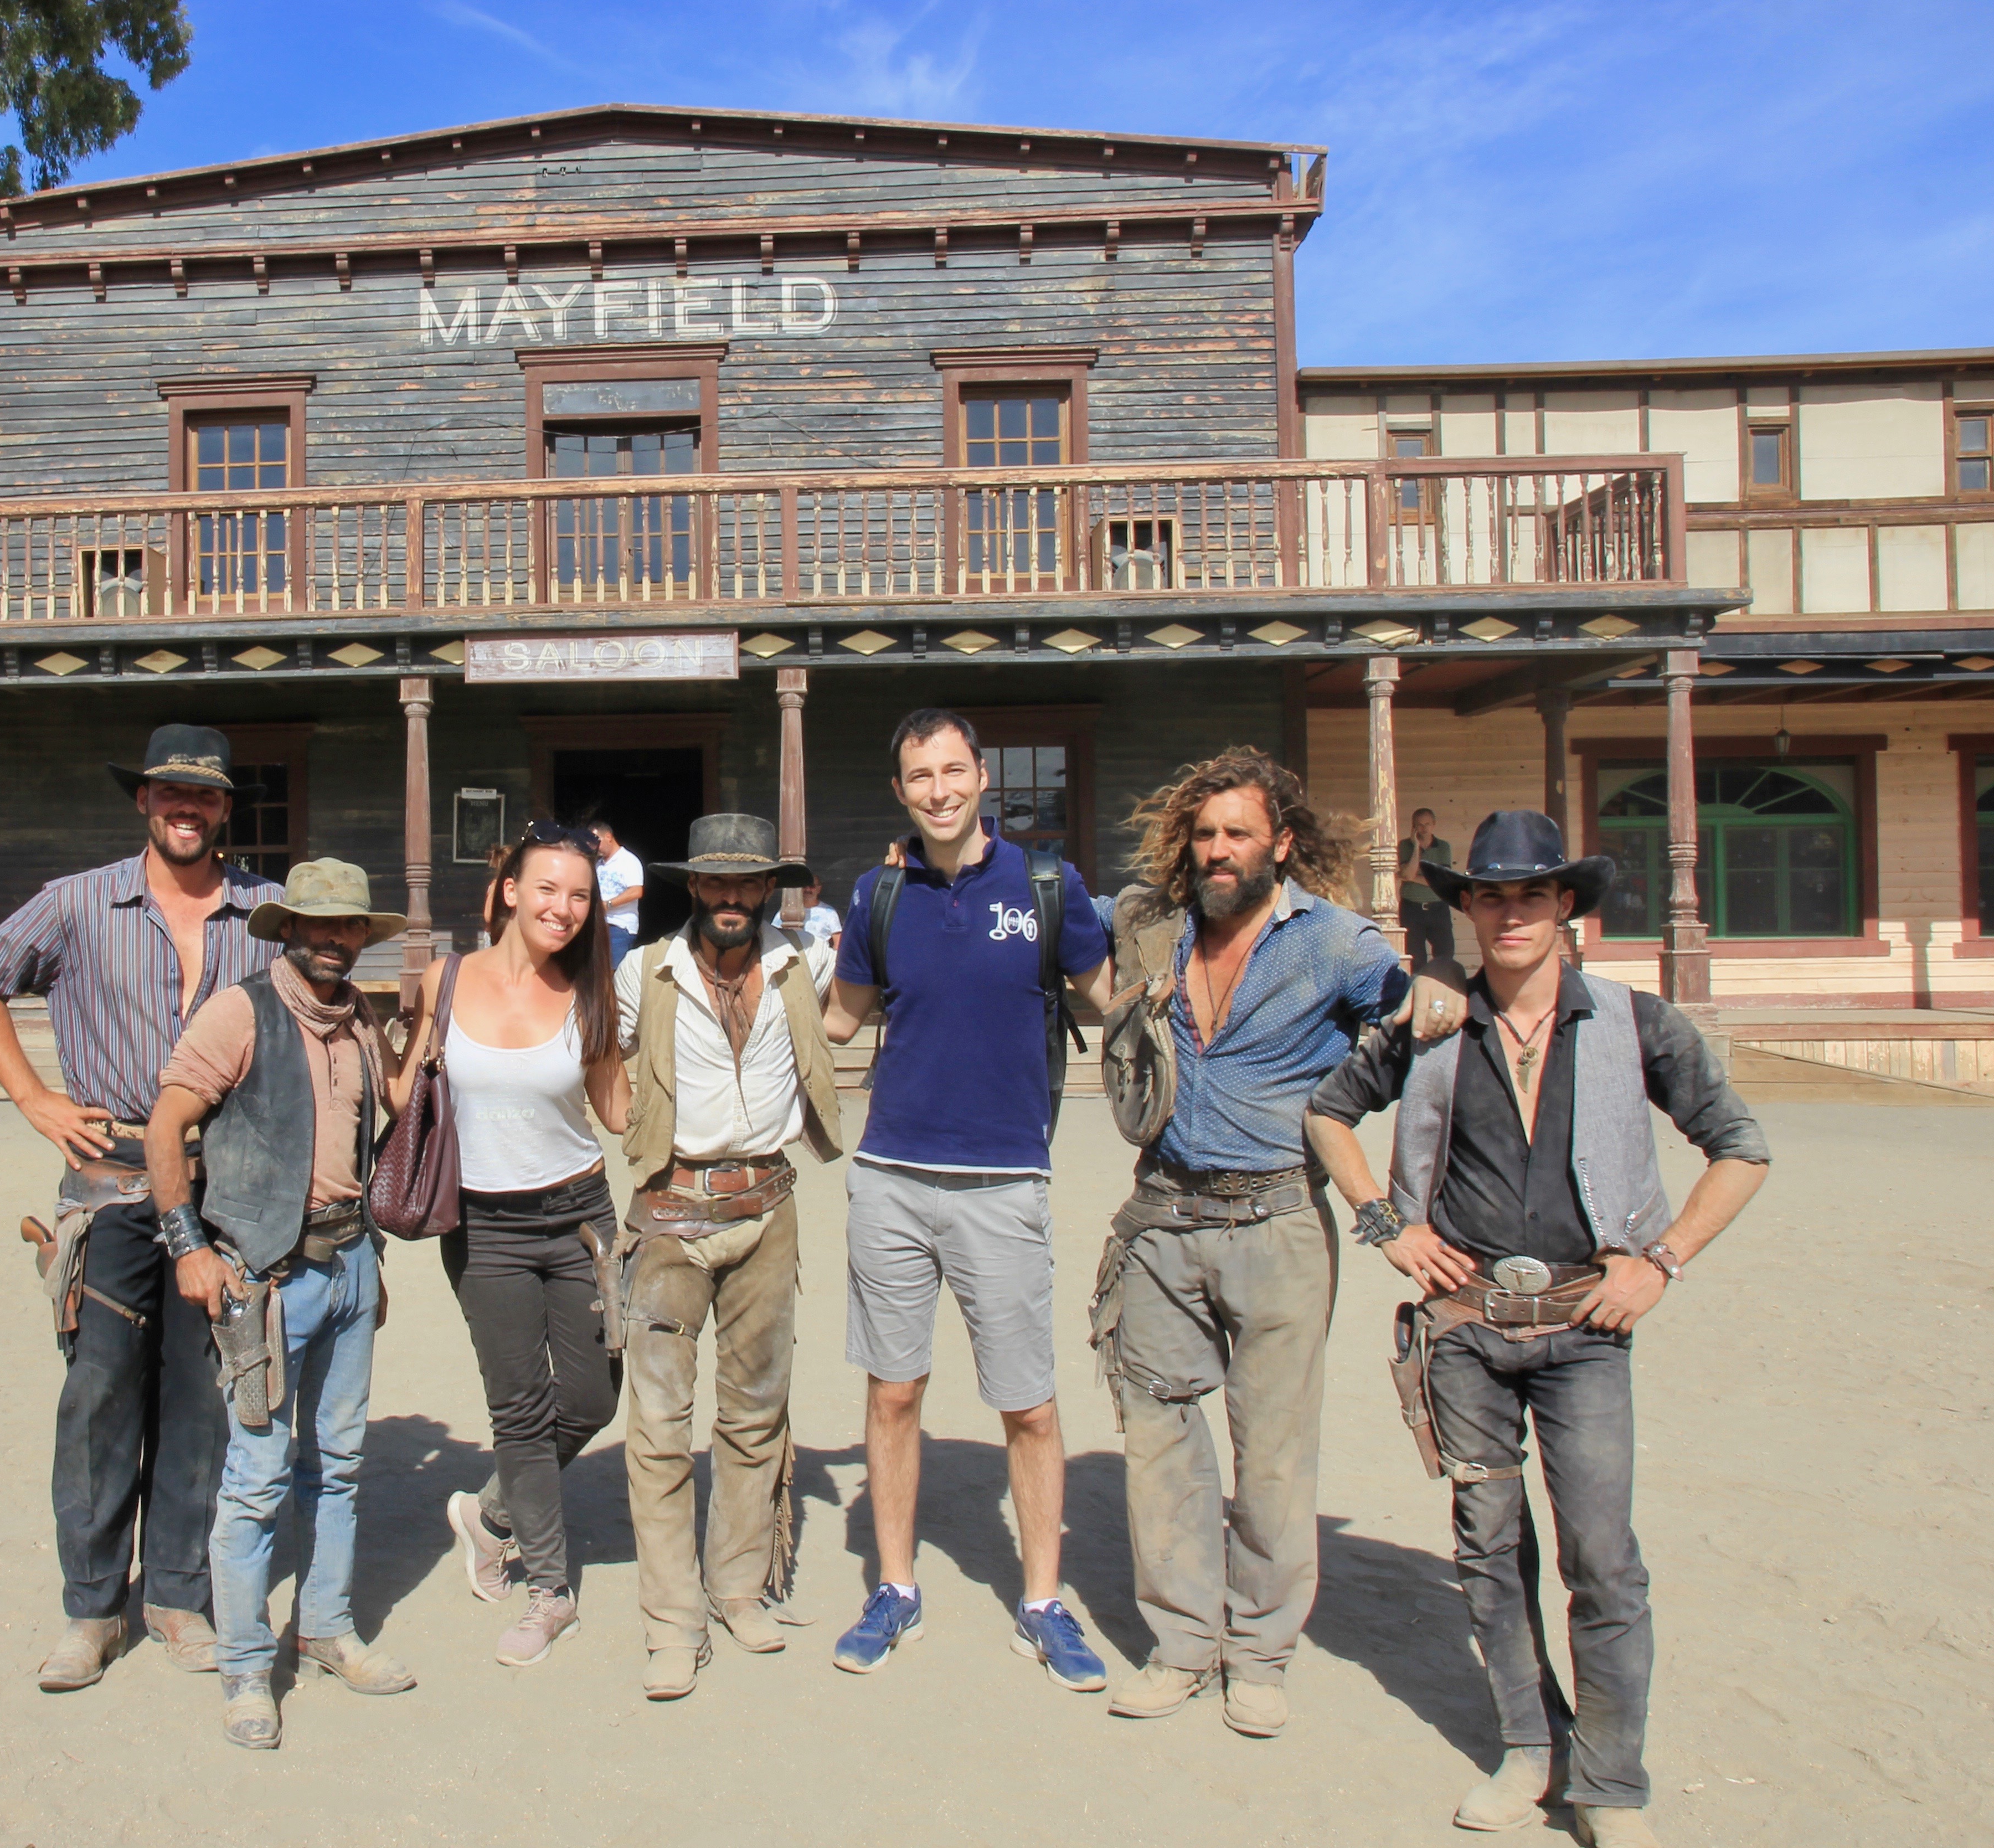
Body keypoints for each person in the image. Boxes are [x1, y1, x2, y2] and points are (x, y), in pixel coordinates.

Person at [1306, 810, 1769, 1848]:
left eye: (1531, 895)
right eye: (1489, 896)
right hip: (1465, 1330)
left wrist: (1661, 1262)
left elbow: (1739, 1148)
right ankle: (1531, 1745)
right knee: (1488, 1545)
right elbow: (1330, 1117)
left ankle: (1611, 1789)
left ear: (1566, 906)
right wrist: (1388, 1227)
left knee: (1603, 1558)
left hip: (1585, 1330)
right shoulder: (1433, 1027)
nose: (1509, 914)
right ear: (1467, 909)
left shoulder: (1633, 1023)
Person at [1094, 749, 1463, 1737]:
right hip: (1163, 1221)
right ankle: (1179, 1645)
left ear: (1280, 843)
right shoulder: (1148, 925)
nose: (1217, 852)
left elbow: (1406, 1010)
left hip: (1277, 1222)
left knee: (1271, 1454)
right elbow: (1049, 926)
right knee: (1158, 1441)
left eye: (1236, 835)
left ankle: (1256, 1654)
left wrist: (1429, 991)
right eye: (1204, 835)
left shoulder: (1333, 942)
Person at [0, 723, 283, 1693]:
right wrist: (33, 1098)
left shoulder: (265, 911)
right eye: (170, 792)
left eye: (205, 795)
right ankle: (91, 1606)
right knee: (97, 1393)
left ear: (225, 807)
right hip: (110, 1179)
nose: (187, 808)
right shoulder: (78, 903)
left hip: (221, 1189)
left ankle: (176, 1594)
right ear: (144, 800)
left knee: (198, 1394)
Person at [820, 709, 1116, 1690]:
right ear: (898, 791)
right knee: (893, 1390)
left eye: (953, 770)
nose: (938, 789)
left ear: (981, 777)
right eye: (919, 776)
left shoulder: (1045, 887)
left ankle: (1040, 1601)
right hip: (892, 1174)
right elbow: (836, 1020)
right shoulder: (878, 896)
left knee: (1026, 1404)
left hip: (1003, 1179)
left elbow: (1107, 995)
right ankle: (894, 1587)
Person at [151, 859, 417, 1750]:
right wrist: (189, 1246)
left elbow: (394, 1109)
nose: (334, 941)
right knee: (257, 1479)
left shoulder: (361, 1019)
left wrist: (429, 1026)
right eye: (319, 927)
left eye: (347, 930)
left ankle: (328, 1626)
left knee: (339, 1463)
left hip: (345, 1263)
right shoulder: (241, 1012)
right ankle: (244, 1671)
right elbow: (166, 1124)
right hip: (265, 1274)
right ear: (289, 930)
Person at [611, 813, 839, 1700]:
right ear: (694, 887)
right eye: (718, 882)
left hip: (768, 1207)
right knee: (661, 1429)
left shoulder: (801, 968)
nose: (734, 897)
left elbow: (874, 1000)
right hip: (670, 1212)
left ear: (770, 889)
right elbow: (591, 1048)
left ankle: (739, 1586)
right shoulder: (645, 972)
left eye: (750, 883)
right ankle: (673, 1621)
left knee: (754, 1416)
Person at [418, 819, 633, 1667]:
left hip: (582, 1215)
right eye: (547, 888)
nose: (564, 908)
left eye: (581, 895)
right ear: (509, 889)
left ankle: (491, 1512)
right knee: (519, 1407)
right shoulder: (443, 980)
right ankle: (549, 1588)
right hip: (485, 1226)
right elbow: (409, 1093)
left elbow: (619, 1114)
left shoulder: (590, 992)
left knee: (593, 1395)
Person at [1400, 809, 1457, 975]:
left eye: (1427, 824)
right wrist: (1416, 847)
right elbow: (1408, 874)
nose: (1423, 829)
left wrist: (1412, 877)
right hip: (1412, 908)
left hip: (1438, 906)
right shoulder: (1405, 846)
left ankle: (1442, 988)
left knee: (1445, 953)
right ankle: (1418, 991)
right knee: (1415, 957)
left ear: (1434, 825)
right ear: (1413, 827)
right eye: (1419, 825)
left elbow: (1442, 879)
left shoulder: (1443, 847)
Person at [591, 821, 645, 967]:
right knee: (598, 971)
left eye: (597, 842)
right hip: (600, 924)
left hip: (620, 926)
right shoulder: (599, 864)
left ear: (608, 836)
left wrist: (608, 904)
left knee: (614, 973)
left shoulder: (628, 861)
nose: (595, 847)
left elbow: (636, 891)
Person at [797, 870, 843, 949]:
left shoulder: (829, 913)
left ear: (819, 889)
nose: (808, 890)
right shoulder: (788, 912)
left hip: (820, 958)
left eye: (812, 886)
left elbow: (838, 943)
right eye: (805, 886)